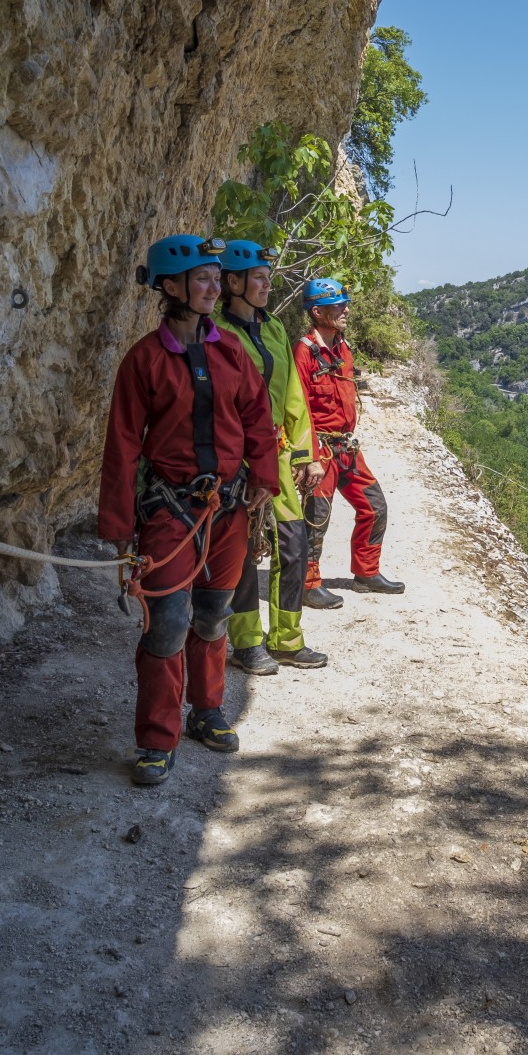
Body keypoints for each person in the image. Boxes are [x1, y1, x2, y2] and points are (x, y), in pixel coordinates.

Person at [99, 235, 279, 786]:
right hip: (170, 506)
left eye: (212, 277)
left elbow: (256, 417)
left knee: (212, 612)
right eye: (200, 278)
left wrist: (265, 480)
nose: (210, 286)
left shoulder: (230, 352)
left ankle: (206, 711)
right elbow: (123, 443)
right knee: (168, 623)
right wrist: (119, 527)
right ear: (170, 287)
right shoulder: (145, 361)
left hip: (229, 504)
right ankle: (156, 739)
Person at [216, 240, 328, 673]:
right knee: (242, 552)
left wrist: (306, 454)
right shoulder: (218, 332)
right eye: (258, 278)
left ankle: (287, 638)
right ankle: (246, 642)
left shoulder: (273, 327)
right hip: (236, 457)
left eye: (267, 277)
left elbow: (294, 396)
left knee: (293, 545)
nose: (267, 285)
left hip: (277, 453)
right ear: (234, 282)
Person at [294, 276, 405, 602]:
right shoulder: (304, 352)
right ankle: (308, 584)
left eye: (345, 303)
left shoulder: (342, 347)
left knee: (375, 507)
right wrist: (309, 456)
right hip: (323, 451)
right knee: (316, 517)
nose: (345, 310)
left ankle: (366, 573)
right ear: (316, 311)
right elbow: (297, 407)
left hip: (346, 447)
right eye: (337, 305)